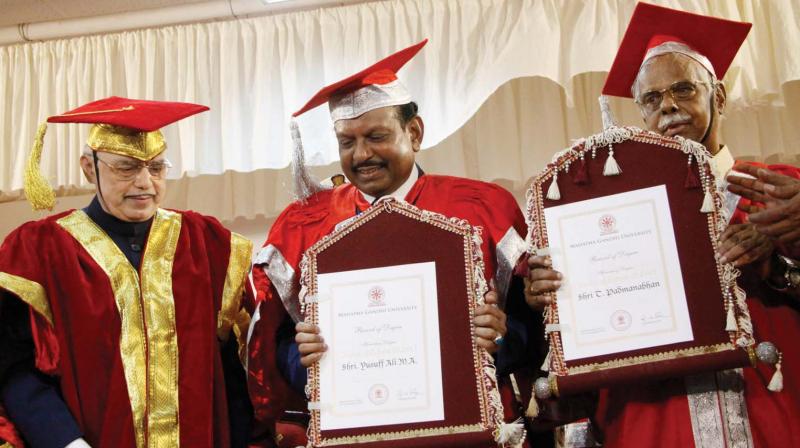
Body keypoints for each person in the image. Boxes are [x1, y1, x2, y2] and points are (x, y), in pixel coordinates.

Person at [526, 4, 800, 447]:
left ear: (720, 97)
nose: (668, 106)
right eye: (652, 99)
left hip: (773, 412)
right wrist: (553, 299)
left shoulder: (778, 192)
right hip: (654, 425)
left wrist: (780, 268)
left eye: (684, 89)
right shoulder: (607, 214)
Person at [246, 40, 541, 447]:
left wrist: (503, 339)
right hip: (357, 433)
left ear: (414, 132)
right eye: (346, 142)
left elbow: (536, 324)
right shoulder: (305, 226)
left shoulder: (481, 208)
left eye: (376, 136)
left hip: (468, 431)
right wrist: (305, 360)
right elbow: (274, 343)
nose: (362, 154)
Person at [0, 97, 254, 448]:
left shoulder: (206, 244)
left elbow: (233, 372)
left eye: (156, 167)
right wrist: (65, 442)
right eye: (125, 168)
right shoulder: (40, 252)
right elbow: (15, 369)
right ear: (89, 168)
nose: (145, 183)